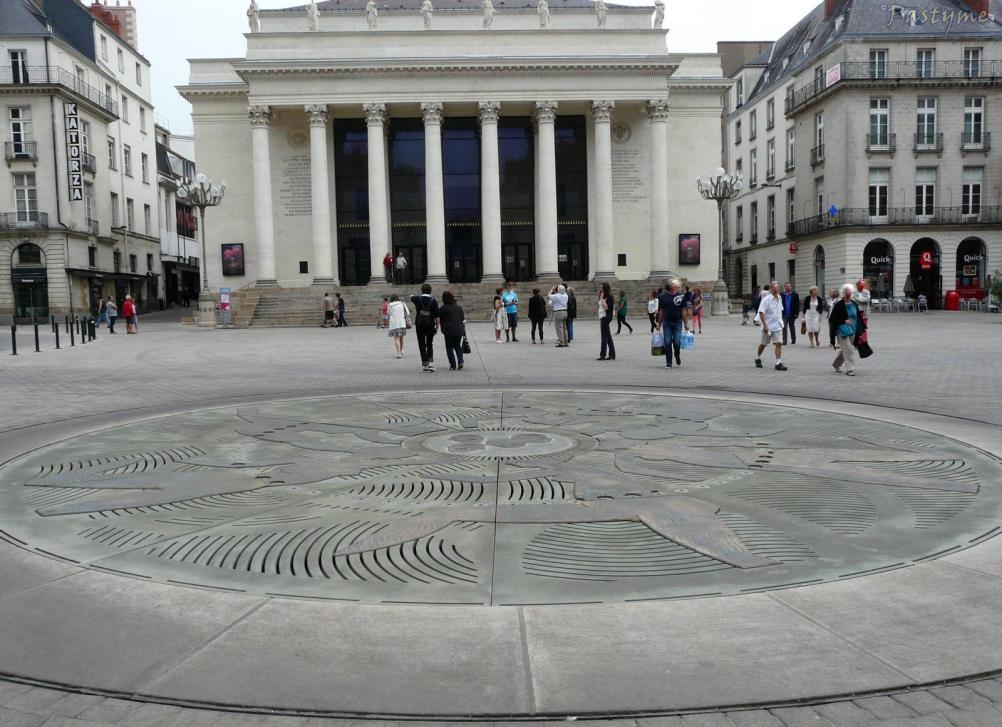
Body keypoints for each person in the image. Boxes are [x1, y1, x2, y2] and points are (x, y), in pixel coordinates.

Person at [830, 283, 864, 377]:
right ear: (843, 294)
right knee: (849, 349)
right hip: (841, 330)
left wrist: (860, 330)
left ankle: (836, 364)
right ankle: (850, 369)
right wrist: (844, 320)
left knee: (845, 349)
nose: (848, 295)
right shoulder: (839, 304)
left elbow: (858, 318)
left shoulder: (853, 304)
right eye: (846, 293)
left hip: (852, 330)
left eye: (849, 293)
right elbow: (832, 319)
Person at [658, 280, 691, 369]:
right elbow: (661, 311)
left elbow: (683, 311)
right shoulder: (662, 297)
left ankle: (677, 354)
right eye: (675, 284)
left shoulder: (681, 296)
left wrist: (686, 323)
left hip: (677, 322)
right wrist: (659, 324)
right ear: (670, 286)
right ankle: (669, 362)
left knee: (677, 342)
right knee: (667, 342)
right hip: (667, 322)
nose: (677, 286)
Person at [755, 281, 787, 371]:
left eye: (778, 287)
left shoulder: (779, 297)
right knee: (764, 344)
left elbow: (780, 310)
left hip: (778, 325)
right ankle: (757, 358)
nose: (777, 289)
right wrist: (765, 325)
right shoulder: (766, 299)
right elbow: (761, 312)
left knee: (779, 343)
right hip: (768, 326)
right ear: (771, 289)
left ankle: (778, 363)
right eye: (775, 287)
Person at [411, 284, 440, 372]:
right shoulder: (434, 301)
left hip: (419, 324)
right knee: (430, 343)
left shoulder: (417, 299)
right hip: (430, 324)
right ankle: (430, 363)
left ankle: (425, 363)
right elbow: (437, 315)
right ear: (430, 291)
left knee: (421, 343)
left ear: (422, 290)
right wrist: (437, 326)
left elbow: (411, 297)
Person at [438, 291, 466, 370]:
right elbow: (463, 319)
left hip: (448, 331)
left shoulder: (444, 307)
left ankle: (453, 364)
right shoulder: (458, 307)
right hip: (459, 330)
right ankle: (460, 361)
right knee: (457, 346)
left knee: (449, 347)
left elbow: (437, 314)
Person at [386, 294, 410, 359]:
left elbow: (388, 313)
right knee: (401, 338)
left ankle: (399, 353)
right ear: (398, 298)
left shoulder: (390, 305)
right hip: (402, 323)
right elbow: (408, 313)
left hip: (394, 324)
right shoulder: (402, 304)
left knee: (396, 338)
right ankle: (401, 351)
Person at [597, 282, 616, 361]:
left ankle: (603, 355)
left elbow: (607, 307)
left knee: (604, 337)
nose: (600, 289)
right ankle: (612, 354)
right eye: (600, 287)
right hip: (602, 317)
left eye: (601, 288)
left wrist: (601, 299)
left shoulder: (610, 297)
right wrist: (600, 297)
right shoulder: (603, 296)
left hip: (605, 317)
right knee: (608, 336)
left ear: (605, 288)